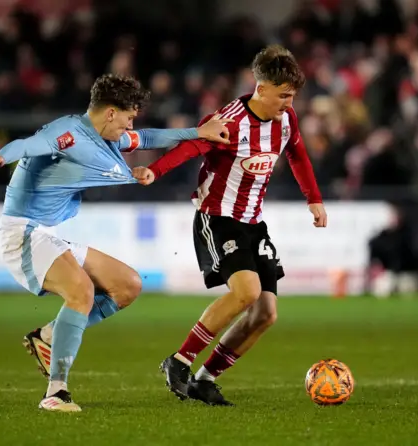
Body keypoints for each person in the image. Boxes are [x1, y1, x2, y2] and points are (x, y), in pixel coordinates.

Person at [0, 73, 231, 412]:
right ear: (110, 113)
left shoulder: (107, 137)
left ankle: (51, 336)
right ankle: (56, 392)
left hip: (46, 234)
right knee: (81, 291)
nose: (129, 126)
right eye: (127, 117)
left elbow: (146, 138)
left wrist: (198, 132)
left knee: (127, 286)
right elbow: (29, 145)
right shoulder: (68, 133)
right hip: (22, 233)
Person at [133, 45, 328, 406]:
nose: (288, 103)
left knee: (266, 314)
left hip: (253, 223)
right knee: (246, 292)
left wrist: (313, 198)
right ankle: (179, 361)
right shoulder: (229, 120)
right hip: (218, 218)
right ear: (262, 88)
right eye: (283, 95)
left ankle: (205, 380)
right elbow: (191, 147)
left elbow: (297, 153)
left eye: (293, 96)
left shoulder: (287, 119)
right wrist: (154, 170)